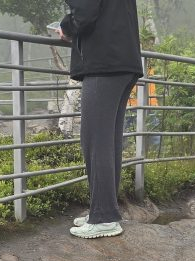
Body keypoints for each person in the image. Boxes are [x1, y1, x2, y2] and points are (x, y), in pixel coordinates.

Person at [59, 0, 143, 239]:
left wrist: (65, 27)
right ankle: (104, 212)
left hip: (104, 64)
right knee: (108, 142)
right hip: (123, 61)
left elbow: (84, 14)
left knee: (96, 142)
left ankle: (104, 218)